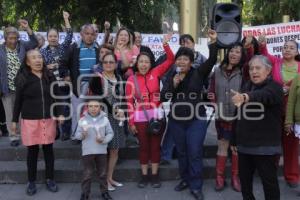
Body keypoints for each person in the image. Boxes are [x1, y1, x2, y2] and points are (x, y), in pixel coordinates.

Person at [160, 29, 217, 200]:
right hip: (177, 121)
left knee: (194, 152)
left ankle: (196, 186)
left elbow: (213, 60)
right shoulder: (172, 76)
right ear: (176, 61)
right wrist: (173, 85)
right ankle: (185, 179)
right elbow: (164, 97)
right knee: (182, 153)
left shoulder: (199, 73)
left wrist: (213, 43)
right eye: (179, 59)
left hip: (196, 120)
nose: (182, 61)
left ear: (191, 62)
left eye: (186, 59)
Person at [11, 49, 64, 196]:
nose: (38, 60)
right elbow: (18, 101)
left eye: (39, 57)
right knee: (32, 152)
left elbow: (57, 96)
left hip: (48, 118)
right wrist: (14, 120)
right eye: (33, 58)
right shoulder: (23, 77)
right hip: (29, 120)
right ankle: (31, 181)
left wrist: (60, 113)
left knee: (48, 151)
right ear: (28, 62)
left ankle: (50, 179)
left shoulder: (49, 75)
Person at [125, 33, 174, 188]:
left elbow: (171, 60)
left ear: (150, 63)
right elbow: (129, 102)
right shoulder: (131, 79)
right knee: (144, 148)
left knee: (155, 147)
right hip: (139, 118)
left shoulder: (156, 72)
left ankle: (154, 176)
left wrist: (165, 44)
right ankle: (144, 176)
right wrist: (130, 122)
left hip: (157, 117)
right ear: (137, 63)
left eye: (147, 62)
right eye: (141, 61)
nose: (144, 64)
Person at [231, 55, 283, 200]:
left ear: (268, 70)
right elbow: (237, 114)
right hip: (244, 146)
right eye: (251, 68)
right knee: (245, 184)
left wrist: (246, 97)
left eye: (258, 68)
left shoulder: (275, 87)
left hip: (265, 147)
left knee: (269, 184)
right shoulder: (246, 85)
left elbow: (264, 95)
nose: (254, 71)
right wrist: (233, 139)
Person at [160, 33, 208, 166]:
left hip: (196, 111)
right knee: (176, 137)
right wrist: (173, 84)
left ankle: (195, 182)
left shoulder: (201, 61)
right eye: (182, 43)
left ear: (193, 44)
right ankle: (166, 155)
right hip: (177, 112)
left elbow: (207, 75)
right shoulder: (175, 68)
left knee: (193, 149)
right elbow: (165, 94)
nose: (185, 45)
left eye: (187, 42)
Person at [259, 35, 300, 187]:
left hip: (294, 112)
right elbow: (265, 55)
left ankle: (292, 176)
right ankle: (270, 173)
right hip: (274, 111)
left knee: (291, 146)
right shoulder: (276, 62)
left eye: (291, 47)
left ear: (297, 52)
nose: (287, 49)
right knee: (273, 144)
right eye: (285, 47)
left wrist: (291, 88)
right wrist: (263, 45)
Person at [209, 43, 245, 192]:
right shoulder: (217, 71)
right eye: (232, 51)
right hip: (221, 115)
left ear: (242, 56)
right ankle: (220, 177)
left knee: (235, 148)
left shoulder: (244, 72)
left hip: (238, 116)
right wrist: (213, 104)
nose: (234, 54)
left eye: (238, 52)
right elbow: (211, 91)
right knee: (222, 146)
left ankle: (236, 178)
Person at [89, 53, 126, 191]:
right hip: (103, 118)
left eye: (111, 62)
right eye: (106, 62)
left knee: (115, 149)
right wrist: (114, 110)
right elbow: (98, 98)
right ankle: (104, 180)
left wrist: (122, 110)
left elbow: (123, 98)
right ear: (102, 64)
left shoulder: (120, 78)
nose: (109, 64)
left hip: (117, 118)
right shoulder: (97, 78)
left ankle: (110, 177)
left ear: (116, 64)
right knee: (103, 150)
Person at [0, 19, 38, 146]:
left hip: (23, 86)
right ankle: (14, 137)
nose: (13, 40)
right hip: (6, 87)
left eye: (15, 38)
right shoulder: (0, 50)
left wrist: (28, 28)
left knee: (23, 112)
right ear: (5, 38)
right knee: (10, 113)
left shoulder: (22, 46)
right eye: (10, 38)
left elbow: (35, 42)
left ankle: (24, 135)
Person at [60, 24, 99, 139]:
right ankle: (75, 135)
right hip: (79, 84)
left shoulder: (98, 48)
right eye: (87, 33)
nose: (89, 36)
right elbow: (63, 63)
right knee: (78, 111)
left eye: (92, 34)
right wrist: (66, 75)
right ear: (81, 34)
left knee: (93, 110)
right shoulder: (74, 47)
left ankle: (90, 135)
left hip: (94, 85)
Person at [40, 11, 73, 140]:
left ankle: (65, 131)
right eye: (51, 36)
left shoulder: (63, 48)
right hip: (50, 85)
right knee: (52, 109)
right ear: (47, 37)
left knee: (65, 108)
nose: (53, 38)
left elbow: (69, 35)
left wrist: (66, 19)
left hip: (64, 84)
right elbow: (37, 66)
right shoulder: (42, 51)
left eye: (55, 36)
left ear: (58, 37)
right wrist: (46, 67)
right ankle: (55, 131)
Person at [74, 99, 114, 200]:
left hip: (101, 151)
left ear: (100, 108)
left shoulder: (105, 120)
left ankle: (104, 192)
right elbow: (76, 135)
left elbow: (110, 133)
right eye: (91, 106)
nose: (93, 109)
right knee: (87, 174)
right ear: (87, 108)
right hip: (88, 151)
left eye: (96, 106)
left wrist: (104, 140)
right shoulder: (82, 120)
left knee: (103, 173)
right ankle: (85, 193)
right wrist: (82, 135)